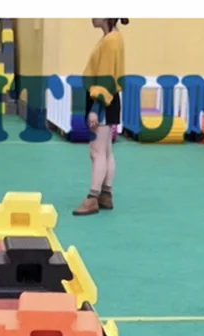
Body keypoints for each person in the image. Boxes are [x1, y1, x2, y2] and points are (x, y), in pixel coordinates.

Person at [73, 18, 128, 217]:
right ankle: (106, 194)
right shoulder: (115, 37)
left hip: (103, 100)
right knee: (106, 150)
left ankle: (92, 198)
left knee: (96, 151)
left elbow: (105, 78)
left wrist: (96, 108)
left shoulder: (109, 41)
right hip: (110, 99)